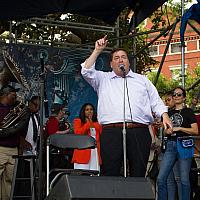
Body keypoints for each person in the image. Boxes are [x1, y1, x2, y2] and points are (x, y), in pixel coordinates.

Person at [81, 35, 172, 177]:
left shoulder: (142, 80)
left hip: (139, 131)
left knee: (138, 173)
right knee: (110, 172)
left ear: (128, 62)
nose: (120, 59)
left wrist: (164, 115)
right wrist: (97, 50)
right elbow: (86, 71)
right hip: (112, 132)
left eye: (123, 57)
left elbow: (155, 101)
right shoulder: (103, 79)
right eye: (116, 58)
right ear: (111, 64)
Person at [157, 87, 199, 200]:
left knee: (184, 179)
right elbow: (166, 132)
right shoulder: (168, 113)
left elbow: (195, 131)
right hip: (170, 145)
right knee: (161, 178)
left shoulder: (188, 112)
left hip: (184, 144)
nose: (176, 96)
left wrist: (179, 128)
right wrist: (168, 131)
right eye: (174, 94)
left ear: (184, 97)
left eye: (179, 94)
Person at [0, 85, 29, 200]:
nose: (16, 96)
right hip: (1, 149)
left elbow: (20, 129)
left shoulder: (16, 109)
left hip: (13, 149)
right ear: (6, 94)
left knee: (9, 180)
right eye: (13, 94)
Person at [71, 103, 102, 171]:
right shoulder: (78, 121)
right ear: (83, 111)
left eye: (91, 109)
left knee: (94, 175)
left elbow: (100, 133)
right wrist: (88, 124)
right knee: (82, 176)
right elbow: (78, 133)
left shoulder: (97, 124)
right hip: (82, 153)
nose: (89, 111)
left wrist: (91, 122)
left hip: (95, 153)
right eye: (87, 110)